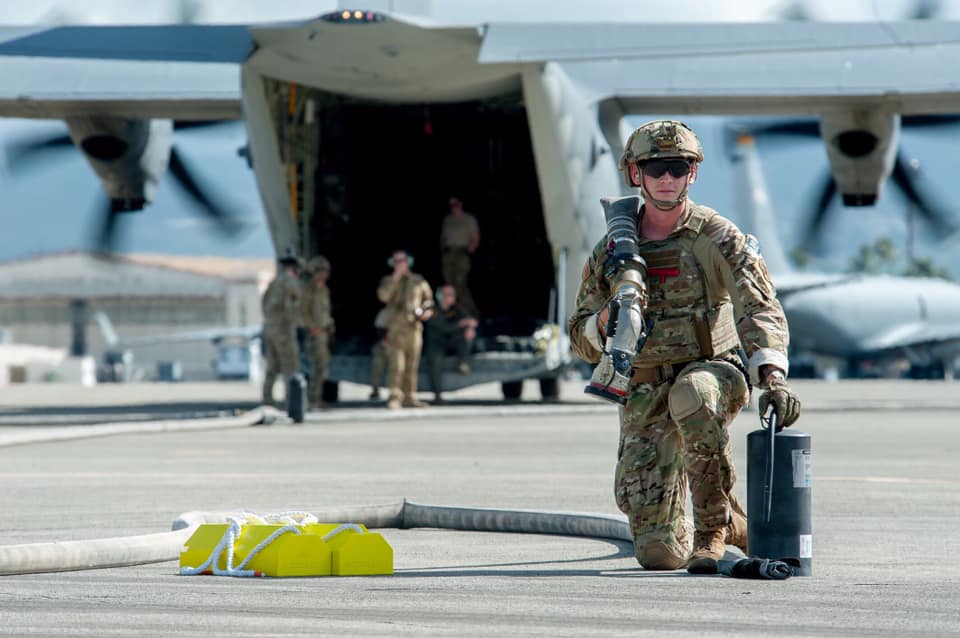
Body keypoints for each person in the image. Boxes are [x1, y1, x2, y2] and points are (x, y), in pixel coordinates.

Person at [568, 120, 801, 574]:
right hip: (643, 387)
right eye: (655, 167)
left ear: (693, 173)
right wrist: (603, 322)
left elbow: (758, 305)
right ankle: (733, 522)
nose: (667, 178)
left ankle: (713, 528)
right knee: (658, 555)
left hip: (712, 370)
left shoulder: (716, 236)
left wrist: (771, 376)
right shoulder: (614, 250)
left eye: (678, 167)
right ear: (635, 174)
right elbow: (578, 336)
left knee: (692, 396)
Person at [377, 249, 434, 410]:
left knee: (412, 365)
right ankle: (395, 397)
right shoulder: (388, 280)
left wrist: (426, 311)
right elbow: (383, 297)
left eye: (402, 260)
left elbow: (428, 300)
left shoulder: (418, 280)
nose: (400, 264)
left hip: (414, 328)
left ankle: (410, 396)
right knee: (397, 365)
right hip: (395, 328)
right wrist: (396, 278)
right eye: (396, 261)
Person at [261, 250, 302, 407]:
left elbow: (264, 303)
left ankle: (267, 400)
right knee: (290, 367)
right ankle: (292, 402)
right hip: (283, 330)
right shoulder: (291, 282)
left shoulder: (274, 282)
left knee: (272, 367)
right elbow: (291, 307)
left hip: (270, 328)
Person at [424, 284, 478, 403]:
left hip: (451, 342)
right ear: (441, 296)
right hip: (436, 343)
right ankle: (437, 395)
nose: (452, 297)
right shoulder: (433, 310)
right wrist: (460, 324)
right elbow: (443, 327)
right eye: (448, 294)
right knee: (435, 361)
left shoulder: (456, 308)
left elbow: (470, 319)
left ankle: (462, 363)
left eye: (453, 294)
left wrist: (469, 325)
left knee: (469, 333)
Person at [301, 255, 335, 409]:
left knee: (323, 368)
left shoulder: (324, 290)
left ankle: (318, 397)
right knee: (316, 368)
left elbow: (325, 311)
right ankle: (312, 399)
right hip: (315, 335)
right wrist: (311, 328)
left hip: (325, 333)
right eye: (320, 271)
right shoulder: (309, 290)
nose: (323, 275)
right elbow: (304, 312)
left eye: (325, 271)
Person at [439, 196, 480, 316]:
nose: (453, 206)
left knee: (460, 284)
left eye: (455, 203)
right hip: (448, 253)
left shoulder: (468, 218)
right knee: (448, 285)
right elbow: (443, 237)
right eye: (451, 204)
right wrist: (442, 248)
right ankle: (453, 314)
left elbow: (475, 236)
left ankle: (472, 313)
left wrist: (472, 246)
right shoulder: (448, 219)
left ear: (460, 204)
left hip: (461, 252)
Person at [368, 307, 388, 401]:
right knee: (378, 365)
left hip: (399, 344)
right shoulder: (386, 311)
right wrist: (383, 340)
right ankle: (375, 390)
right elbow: (379, 328)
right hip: (383, 344)